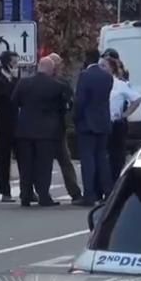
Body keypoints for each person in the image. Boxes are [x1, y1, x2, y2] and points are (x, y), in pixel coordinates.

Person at [12, 56, 68, 207]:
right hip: (47, 132)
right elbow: (63, 108)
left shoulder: (23, 83)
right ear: (50, 69)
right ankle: (43, 195)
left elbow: (15, 101)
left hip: (24, 130)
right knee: (44, 165)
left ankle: (25, 195)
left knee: (26, 165)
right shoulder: (56, 86)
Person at [75, 49, 114, 206]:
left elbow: (80, 101)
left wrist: (75, 118)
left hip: (87, 123)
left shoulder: (85, 76)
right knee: (102, 159)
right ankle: (108, 192)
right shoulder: (107, 76)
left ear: (86, 58)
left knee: (88, 160)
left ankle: (89, 194)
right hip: (103, 121)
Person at [46, 52, 84, 204]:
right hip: (54, 128)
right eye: (57, 63)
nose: (60, 66)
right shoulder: (59, 83)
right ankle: (47, 192)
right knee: (54, 162)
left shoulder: (62, 81)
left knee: (64, 161)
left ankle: (73, 192)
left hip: (56, 128)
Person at [106, 57, 141, 184]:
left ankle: (115, 182)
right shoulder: (100, 83)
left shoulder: (120, 84)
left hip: (115, 124)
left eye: (105, 67)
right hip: (103, 123)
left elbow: (137, 98)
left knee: (116, 157)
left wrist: (125, 114)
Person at [0, 51, 20, 203]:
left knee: (23, 157)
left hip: (17, 122)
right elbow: (8, 97)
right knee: (4, 158)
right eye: (14, 62)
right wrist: (13, 80)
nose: (16, 66)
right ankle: (5, 191)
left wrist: (15, 79)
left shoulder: (17, 79)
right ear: (7, 63)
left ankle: (27, 189)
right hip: (4, 123)